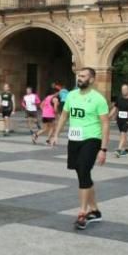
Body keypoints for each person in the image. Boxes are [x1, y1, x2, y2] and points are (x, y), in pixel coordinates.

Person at [48, 67, 110, 230]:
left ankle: (82, 213)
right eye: (78, 76)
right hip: (74, 139)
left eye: (83, 76)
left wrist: (103, 149)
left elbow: (105, 124)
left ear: (91, 79)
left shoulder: (98, 99)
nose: (79, 78)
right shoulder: (71, 96)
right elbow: (64, 116)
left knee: (83, 170)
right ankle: (95, 211)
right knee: (83, 174)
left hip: (91, 139)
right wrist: (56, 135)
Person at [113, 85, 128, 157]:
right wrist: (108, 117)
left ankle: (119, 150)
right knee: (123, 135)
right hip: (119, 120)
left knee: (123, 134)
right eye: (122, 89)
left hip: (127, 121)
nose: (123, 91)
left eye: (125, 89)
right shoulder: (119, 99)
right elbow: (115, 109)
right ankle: (127, 150)